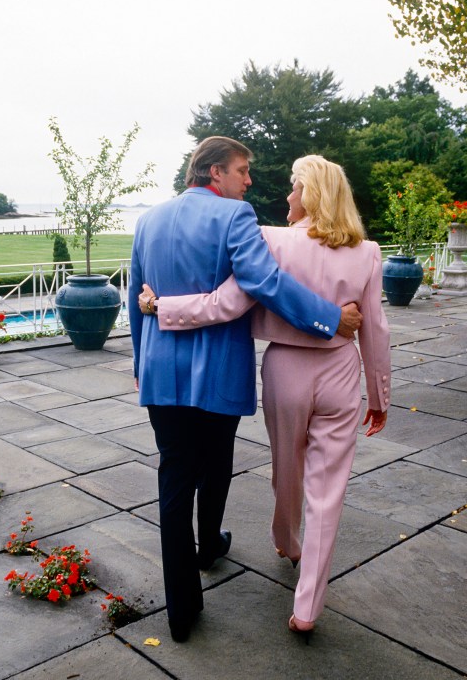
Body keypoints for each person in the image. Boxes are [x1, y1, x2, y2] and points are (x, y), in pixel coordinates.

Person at [140, 154, 391, 639]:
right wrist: (379, 393)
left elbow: (228, 302)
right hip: (342, 369)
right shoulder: (369, 250)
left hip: (285, 370)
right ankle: (307, 607)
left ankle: (285, 538)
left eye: (295, 188)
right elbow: (376, 330)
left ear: (310, 193)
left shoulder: (273, 240)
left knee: (287, 468)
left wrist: (158, 306)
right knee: (329, 488)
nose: (286, 196)